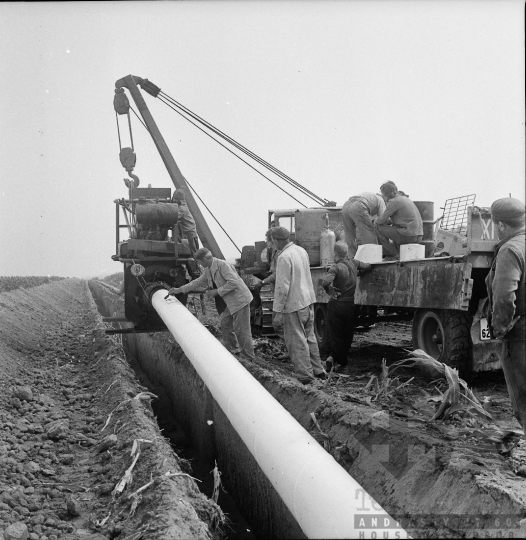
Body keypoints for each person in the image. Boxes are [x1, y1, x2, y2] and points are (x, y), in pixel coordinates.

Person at [167, 247, 256, 362]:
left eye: (199, 262)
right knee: (225, 325)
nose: (199, 264)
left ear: (204, 259)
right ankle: (234, 351)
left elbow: (234, 282)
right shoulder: (208, 269)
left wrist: (217, 291)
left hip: (240, 300)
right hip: (229, 302)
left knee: (241, 330)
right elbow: (198, 282)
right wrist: (179, 290)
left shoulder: (222, 265)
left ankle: (248, 359)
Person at [485, 197, 525, 433]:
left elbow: (503, 297)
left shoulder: (510, 250)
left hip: (520, 338)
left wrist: (500, 328)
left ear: (500, 225)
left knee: (523, 403)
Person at [271, 226, 327, 384]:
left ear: (275, 240)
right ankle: (318, 370)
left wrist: (277, 311)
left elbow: (282, 287)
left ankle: (305, 375)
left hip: (293, 304)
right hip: (308, 301)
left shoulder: (283, 257)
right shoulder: (301, 251)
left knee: (296, 341)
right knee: (310, 338)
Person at [321, 242, 372, 376]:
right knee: (347, 336)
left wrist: (330, 292)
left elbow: (325, 282)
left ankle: (343, 364)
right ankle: (332, 358)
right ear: (347, 253)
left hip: (335, 305)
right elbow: (368, 266)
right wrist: (358, 273)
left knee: (336, 335)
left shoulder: (335, 268)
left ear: (335, 254)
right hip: (349, 305)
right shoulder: (354, 263)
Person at [374, 181, 423, 260]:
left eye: (383, 194)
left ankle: (391, 254)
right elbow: (400, 220)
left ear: (388, 194)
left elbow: (380, 221)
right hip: (418, 235)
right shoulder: (405, 199)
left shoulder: (393, 202)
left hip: (408, 236)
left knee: (377, 226)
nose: (382, 196)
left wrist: (374, 220)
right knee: (395, 227)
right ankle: (397, 254)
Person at [342, 192, 386, 258]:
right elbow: (382, 220)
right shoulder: (381, 200)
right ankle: (371, 258)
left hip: (346, 206)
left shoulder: (371, 196)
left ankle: (351, 257)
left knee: (349, 233)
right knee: (368, 231)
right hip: (358, 206)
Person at [172, 187, 199, 254]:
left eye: (175, 199)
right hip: (190, 233)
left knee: (194, 253)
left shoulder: (182, 209)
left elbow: (173, 217)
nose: (174, 201)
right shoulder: (183, 206)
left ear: (179, 200)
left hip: (190, 234)